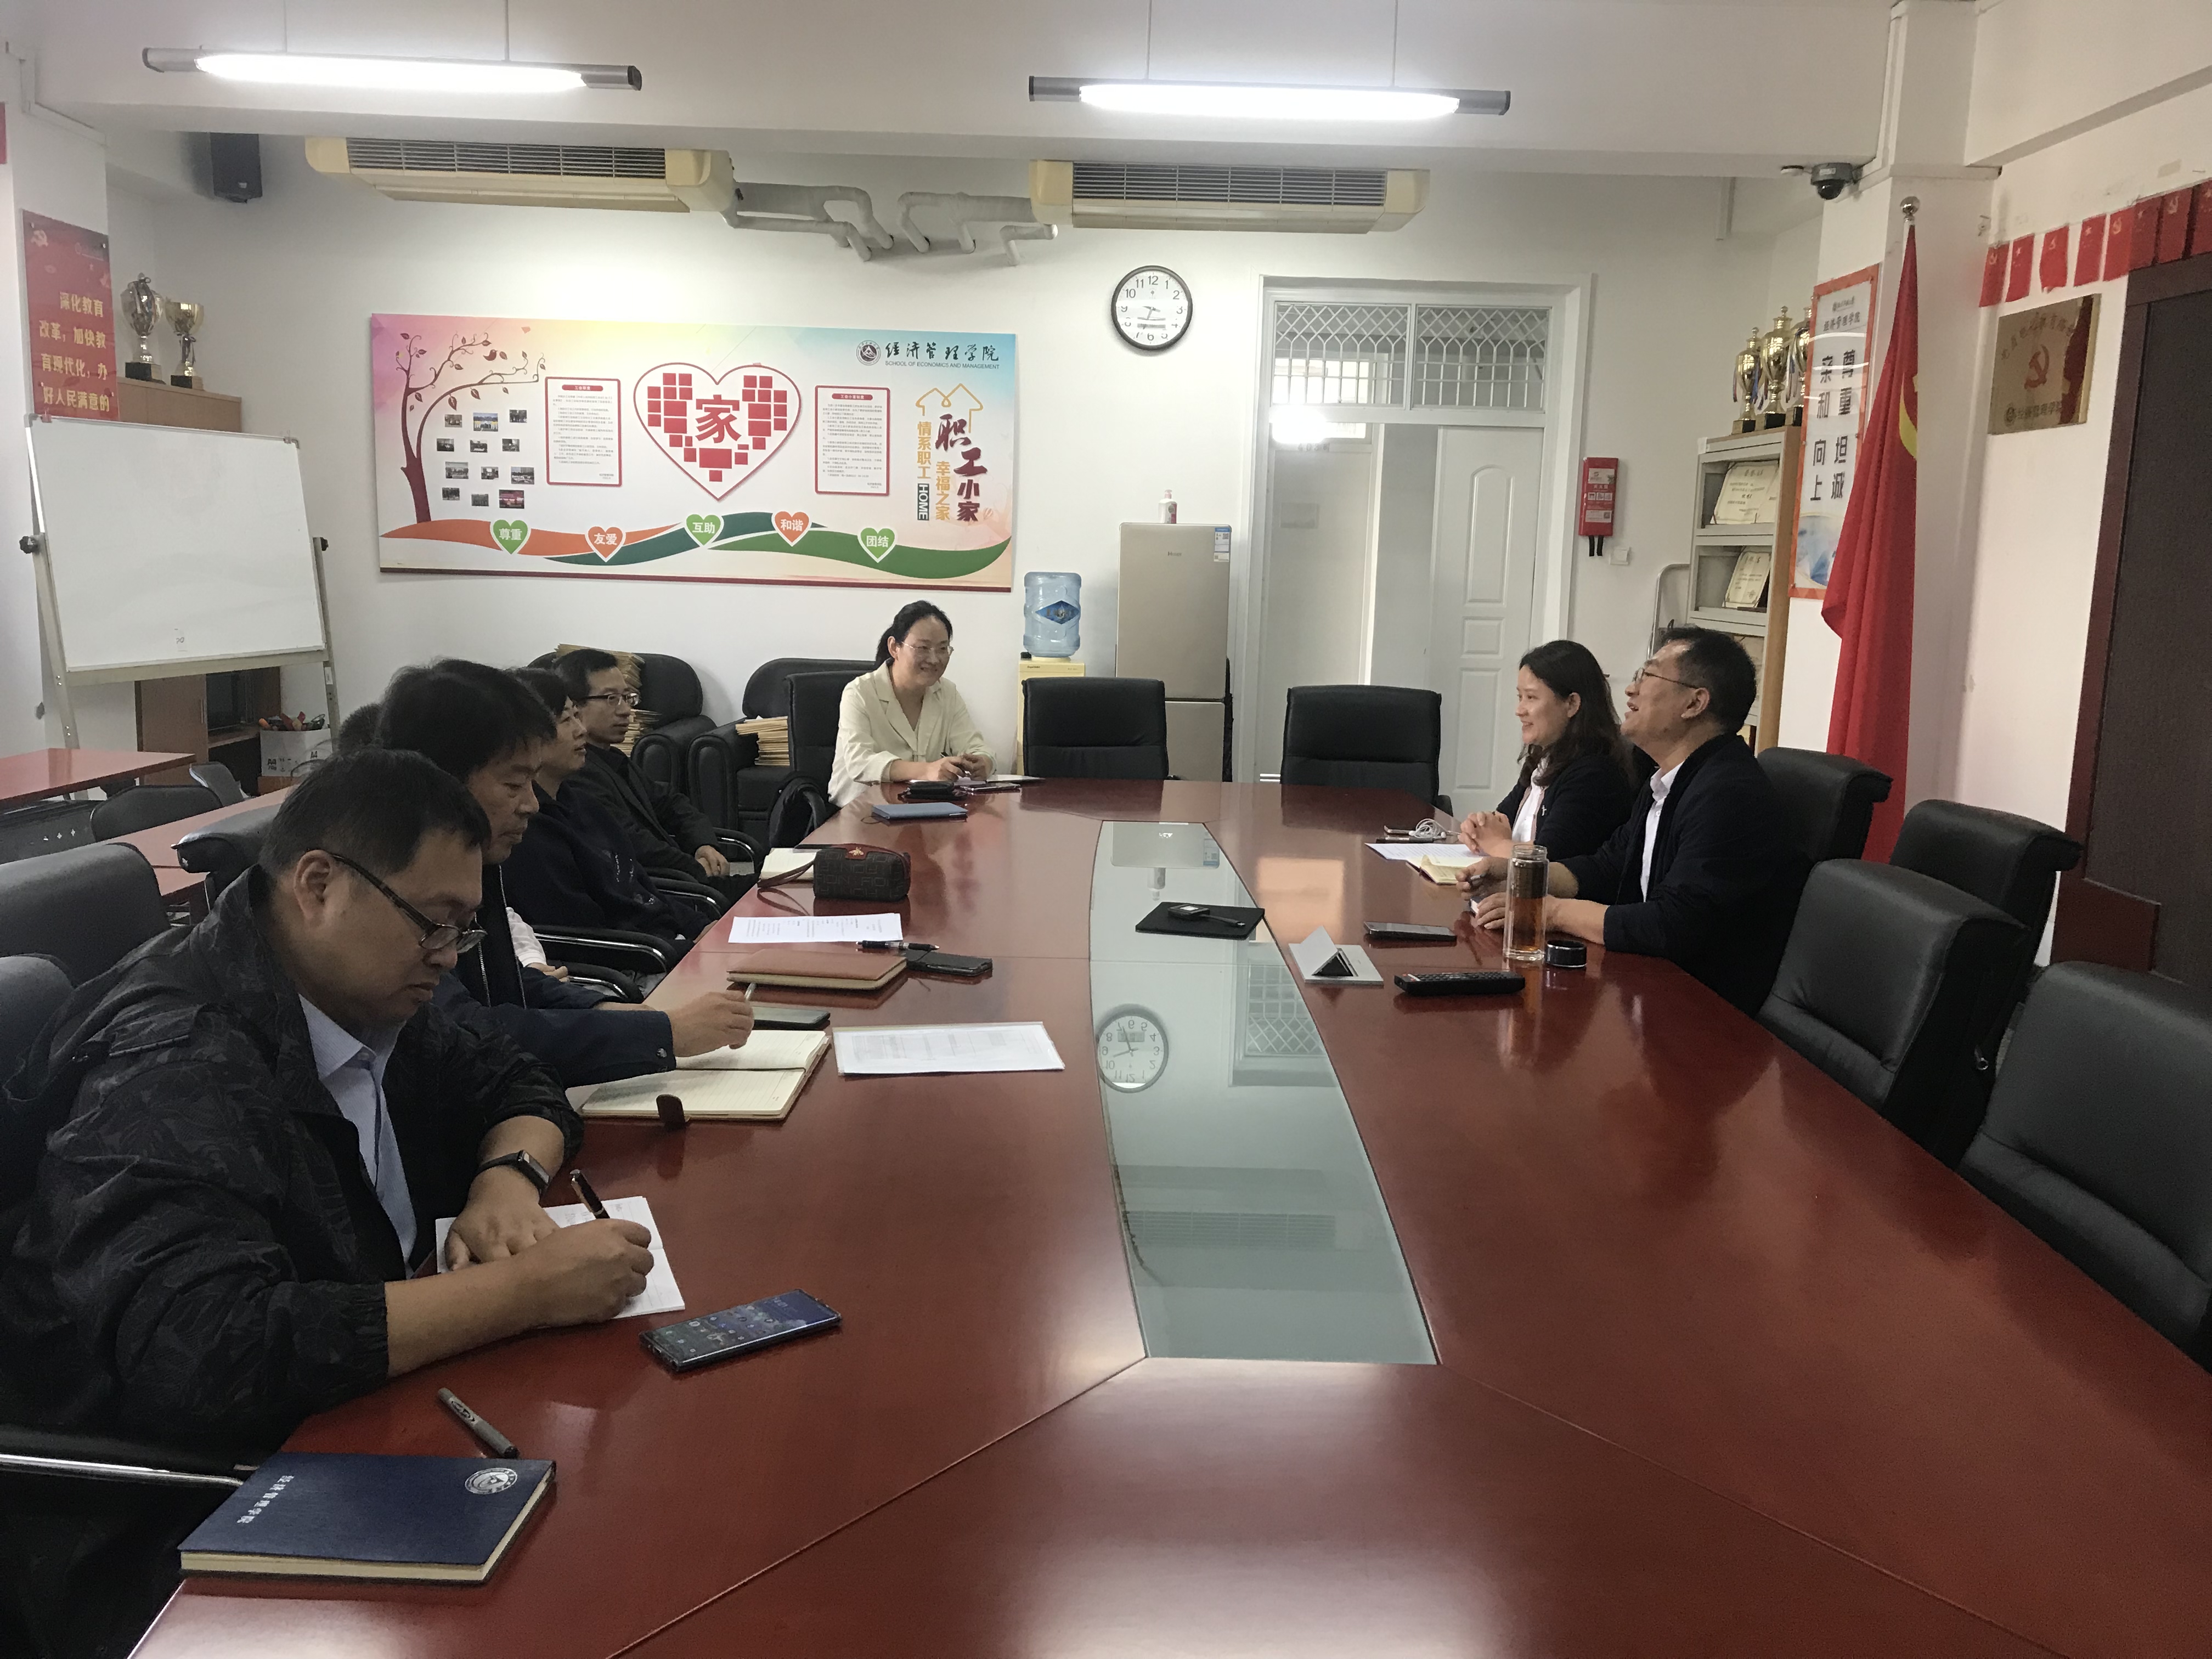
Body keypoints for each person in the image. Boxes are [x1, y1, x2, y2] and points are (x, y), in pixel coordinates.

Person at [0, 750, 656, 1657]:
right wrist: (525, 1292)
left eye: (461, 929)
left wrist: (504, 1180)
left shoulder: (366, 987)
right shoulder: (176, 1057)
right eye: (433, 923)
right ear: (318, 884)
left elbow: (518, 1079)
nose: (446, 956)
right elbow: (211, 1352)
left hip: (359, 1413)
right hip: (181, 1510)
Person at [375, 661, 753, 1084]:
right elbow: (465, 1031)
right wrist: (661, 1032)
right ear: (444, 783)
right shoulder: (391, 900)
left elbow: (505, 984)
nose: (531, 804)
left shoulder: (480, 863)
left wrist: (613, 1013)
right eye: (513, 785)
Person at [1463, 626, 1807, 1014]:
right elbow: (1608, 867)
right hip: (1648, 989)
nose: (1630, 690)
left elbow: (1671, 923)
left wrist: (1549, 911)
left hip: (1702, 1014)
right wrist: (1521, 874)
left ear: (1694, 703)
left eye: (1649, 676)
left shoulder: (1728, 794)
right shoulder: (1667, 780)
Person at [503, 667, 719, 946]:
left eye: (577, 716)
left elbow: (639, 886)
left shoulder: (583, 804)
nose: (581, 730)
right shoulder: (530, 831)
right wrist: (686, 947)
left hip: (664, 940)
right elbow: (587, 934)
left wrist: (699, 926)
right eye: (567, 720)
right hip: (642, 957)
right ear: (529, 738)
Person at [556, 647, 748, 909]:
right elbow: (631, 842)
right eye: (612, 699)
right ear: (574, 707)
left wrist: (703, 843)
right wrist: (694, 868)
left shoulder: (612, 757)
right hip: (659, 895)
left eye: (627, 698)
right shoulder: (577, 774)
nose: (626, 711)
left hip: (683, 884)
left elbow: (670, 800)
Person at [1457, 640, 1638, 862]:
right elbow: (1501, 821)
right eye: (1520, 697)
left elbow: (1548, 858)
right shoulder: (1544, 758)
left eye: (1531, 698)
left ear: (1571, 704)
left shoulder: (1596, 773)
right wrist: (1478, 828)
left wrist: (1495, 844)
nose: (1519, 710)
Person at [829, 601, 994, 806]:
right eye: (923, 648)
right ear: (894, 648)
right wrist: (927, 770)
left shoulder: (947, 693)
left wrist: (984, 762)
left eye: (942, 649)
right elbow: (859, 762)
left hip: (922, 809)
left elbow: (976, 746)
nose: (934, 659)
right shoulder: (860, 693)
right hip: (859, 810)